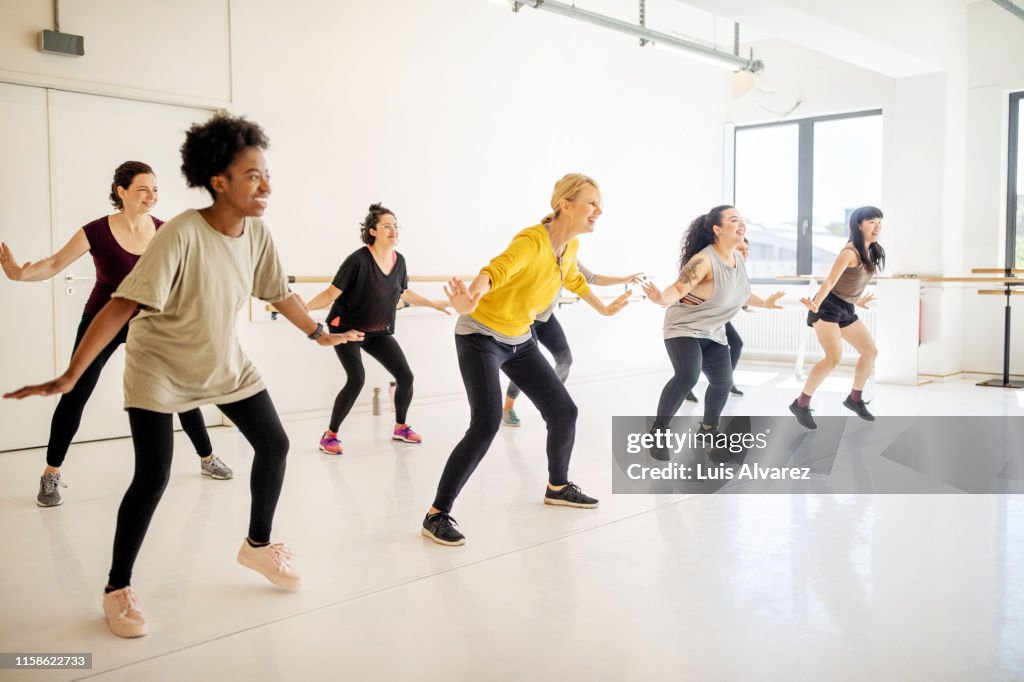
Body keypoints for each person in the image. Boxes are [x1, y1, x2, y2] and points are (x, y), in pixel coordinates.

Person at [5, 114, 362, 638]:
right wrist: (70, 374)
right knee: (153, 476)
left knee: (276, 445)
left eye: (266, 173)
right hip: (160, 366)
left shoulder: (257, 233)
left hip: (223, 362)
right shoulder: (179, 233)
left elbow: (277, 290)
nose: (265, 185)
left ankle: (257, 546)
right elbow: (121, 303)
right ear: (218, 181)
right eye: (251, 175)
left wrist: (317, 332)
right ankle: (117, 589)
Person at [0, 161, 227, 509]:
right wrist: (17, 273)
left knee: (181, 391)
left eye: (155, 189)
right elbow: (52, 265)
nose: (151, 196)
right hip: (102, 320)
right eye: (142, 189)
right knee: (75, 392)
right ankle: (50, 474)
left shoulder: (165, 231)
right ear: (121, 192)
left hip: (151, 325)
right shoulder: (96, 232)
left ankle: (207, 457)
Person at [422, 173, 631, 546]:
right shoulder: (531, 241)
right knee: (485, 423)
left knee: (564, 412)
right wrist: (470, 297)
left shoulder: (569, 249)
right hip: (480, 336)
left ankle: (558, 486)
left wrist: (604, 309)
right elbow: (496, 270)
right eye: (592, 202)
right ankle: (437, 514)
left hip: (520, 338)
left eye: (600, 204)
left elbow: (576, 282)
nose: (599, 210)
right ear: (565, 204)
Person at [303, 203, 450, 455]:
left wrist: (433, 303)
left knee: (406, 376)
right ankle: (330, 436)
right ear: (373, 231)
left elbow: (405, 292)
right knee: (357, 378)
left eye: (395, 226)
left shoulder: (399, 261)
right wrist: (302, 310)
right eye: (387, 226)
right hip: (347, 329)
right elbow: (330, 293)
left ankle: (400, 427)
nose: (393, 230)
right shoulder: (358, 260)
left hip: (377, 330)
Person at [643, 206, 783, 459]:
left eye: (742, 220)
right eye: (733, 220)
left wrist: (764, 303)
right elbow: (679, 287)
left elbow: (737, 291)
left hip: (713, 332)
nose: (741, 224)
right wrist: (661, 297)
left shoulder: (737, 259)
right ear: (717, 229)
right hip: (683, 328)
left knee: (722, 383)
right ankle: (658, 431)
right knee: (688, 375)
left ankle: (709, 431)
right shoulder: (704, 260)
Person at [500, 262, 642, 427]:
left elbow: (593, 278)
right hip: (525, 317)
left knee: (565, 360)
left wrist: (624, 279)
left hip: (545, 317)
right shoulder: (538, 251)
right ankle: (507, 408)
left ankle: (552, 402)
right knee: (526, 366)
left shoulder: (569, 256)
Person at [789, 206, 883, 429]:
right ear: (859, 225)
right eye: (872, 221)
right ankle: (801, 404)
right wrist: (816, 303)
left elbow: (850, 284)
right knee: (833, 357)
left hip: (845, 307)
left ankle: (855, 399)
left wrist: (856, 301)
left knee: (870, 352)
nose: (877, 226)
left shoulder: (872, 250)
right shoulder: (849, 252)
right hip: (827, 307)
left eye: (880, 221)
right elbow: (830, 282)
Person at [685, 236, 749, 403]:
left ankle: (727, 381)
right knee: (701, 352)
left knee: (736, 343)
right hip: (703, 316)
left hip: (718, 316)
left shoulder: (737, 264)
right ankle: (688, 385)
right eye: (742, 249)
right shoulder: (713, 261)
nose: (745, 253)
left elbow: (735, 292)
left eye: (746, 250)